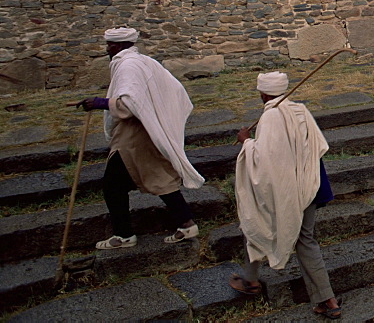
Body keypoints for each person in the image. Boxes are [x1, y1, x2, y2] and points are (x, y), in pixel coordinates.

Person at [76, 27, 204, 249]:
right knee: (156, 175)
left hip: (133, 134)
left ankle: (124, 235)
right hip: (146, 129)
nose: (107, 49)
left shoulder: (129, 65)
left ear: (117, 46)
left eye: (109, 45)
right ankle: (186, 223)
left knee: (113, 185)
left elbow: (129, 104)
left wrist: (99, 103)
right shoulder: (143, 61)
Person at [230, 72, 341, 320]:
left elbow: (265, 160)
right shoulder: (299, 110)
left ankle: (249, 281)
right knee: (306, 240)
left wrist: (246, 142)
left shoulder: (270, 116)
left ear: (263, 93)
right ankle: (328, 301)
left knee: (258, 219)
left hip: (287, 189)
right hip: (310, 184)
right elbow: (318, 146)